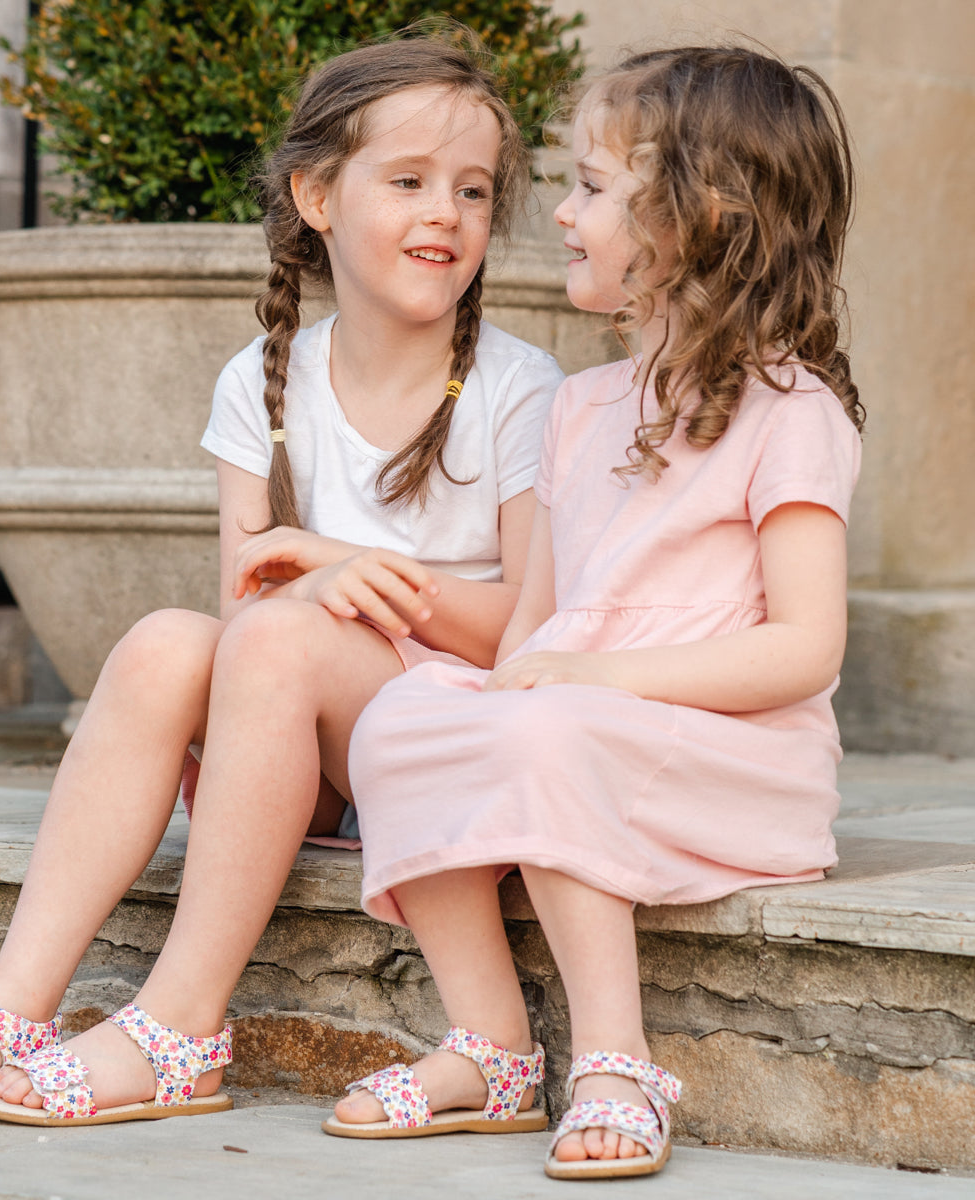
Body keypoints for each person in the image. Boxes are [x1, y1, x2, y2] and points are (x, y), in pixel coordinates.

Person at [0, 31, 565, 1125]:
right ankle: (13, 1006)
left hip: (447, 746)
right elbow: (245, 616)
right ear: (317, 194)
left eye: (472, 188)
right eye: (407, 181)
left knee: (273, 637)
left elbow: (529, 637)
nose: (446, 212)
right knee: (169, 642)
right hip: (306, 756)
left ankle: (180, 1024)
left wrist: (359, 574)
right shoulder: (261, 386)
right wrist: (313, 591)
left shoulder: (521, 388)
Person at [325, 45, 864, 1182]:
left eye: (591, 187)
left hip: (737, 758)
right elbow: (541, 628)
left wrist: (584, 684)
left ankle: (615, 1063)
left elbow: (805, 649)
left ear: (698, 217)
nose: (559, 213)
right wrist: (481, 685)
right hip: (580, 723)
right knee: (404, 716)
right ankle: (492, 1045)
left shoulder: (792, 411)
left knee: (547, 725)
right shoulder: (578, 409)